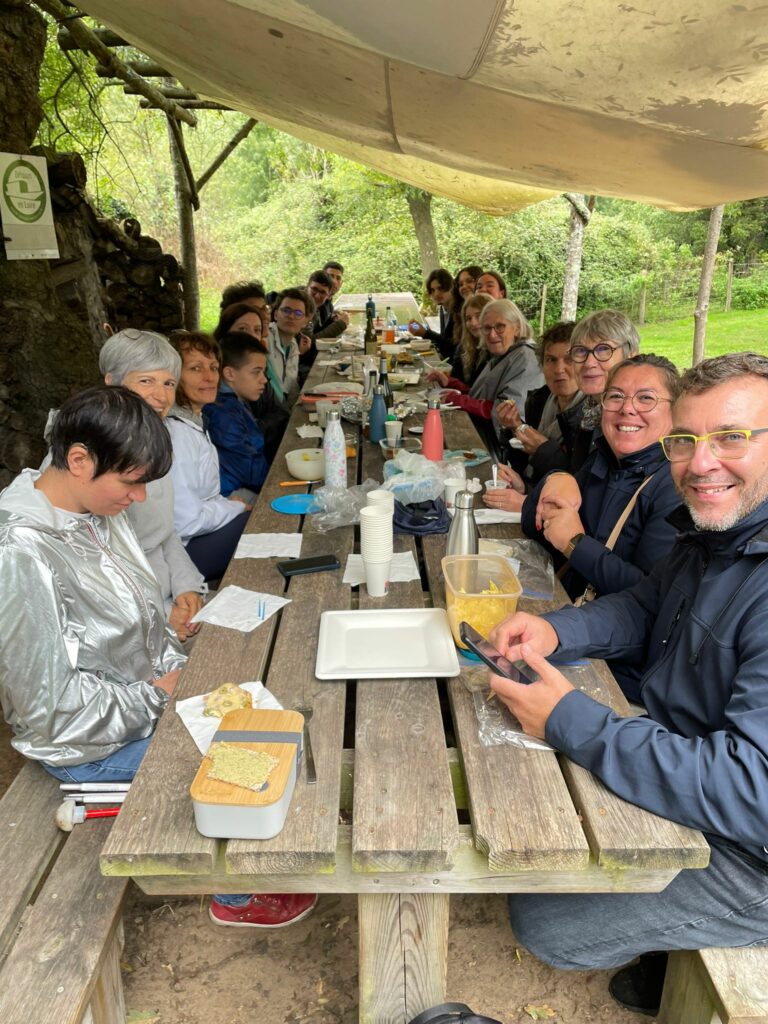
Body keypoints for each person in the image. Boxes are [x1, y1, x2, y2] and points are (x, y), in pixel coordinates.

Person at [488, 351, 768, 1016]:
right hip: (684, 746)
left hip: (753, 852)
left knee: (545, 920)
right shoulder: (716, 534)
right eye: (686, 441)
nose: (701, 464)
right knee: (534, 839)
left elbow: (754, 789)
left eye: (731, 438)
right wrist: (555, 631)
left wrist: (568, 720)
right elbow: (644, 604)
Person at [0, 385, 185, 780]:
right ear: (79, 459)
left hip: (145, 705)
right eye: (130, 481)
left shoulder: (96, 510)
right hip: (87, 748)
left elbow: (147, 622)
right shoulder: (20, 551)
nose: (139, 496)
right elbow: (47, 705)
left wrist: (177, 675)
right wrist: (157, 696)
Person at [521, 354, 682, 699]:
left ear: (676, 413)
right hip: (570, 625)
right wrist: (557, 477)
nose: (627, 409)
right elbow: (533, 525)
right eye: (616, 396)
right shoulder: (603, 459)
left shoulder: (673, 488)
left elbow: (648, 598)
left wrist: (575, 544)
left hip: (617, 669)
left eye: (646, 398)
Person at [99, 330, 206, 642]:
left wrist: (187, 588)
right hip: (128, 620)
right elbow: (98, 566)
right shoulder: (94, 457)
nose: (162, 396)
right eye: (146, 381)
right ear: (111, 383)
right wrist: (161, 612)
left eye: (169, 383)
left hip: (171, 597)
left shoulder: (155, 443)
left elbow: (165, 531)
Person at [166, 332, 250, 582]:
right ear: (172, 376)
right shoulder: (175, 433)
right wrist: (233, 508)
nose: (209, 376)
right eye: (195, 368)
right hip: (182, 553)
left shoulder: (193, 419)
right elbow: (185, 522)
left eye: (213, 367)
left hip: (194, 536)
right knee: (262, 523)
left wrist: (226, 505)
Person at [439, 299, 543, 457]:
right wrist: (455, 385)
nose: (492, 334)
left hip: (504, 453)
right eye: (487, 328)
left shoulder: (526, 358)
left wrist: (460, 400)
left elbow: (504, 413)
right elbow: (484, 393)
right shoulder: (502, 354)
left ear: (517, 328)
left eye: (500, 326)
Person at [561, 309, 640, 472]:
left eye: (604, 349)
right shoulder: (588, 414)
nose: (589, 363)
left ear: (631, 357)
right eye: (581, 350)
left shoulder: (635, 420)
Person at [203, 332, 269, 500]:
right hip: (230, 494)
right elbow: (250, 471)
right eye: (256, 372)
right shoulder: (223, 414)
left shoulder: (231, 402)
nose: (264, 380)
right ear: (230, 374)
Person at [426, 292, 491, 388]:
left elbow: (481, 396)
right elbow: (463, 385)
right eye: (468, 318)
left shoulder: (495, 352)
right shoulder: (466, 346)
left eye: (479, 316)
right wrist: (446, 380)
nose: (473, 323)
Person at [265, 287, 314, 404]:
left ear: (305, 322)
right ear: (276, 314)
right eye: (286, 310)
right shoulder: (266, 338)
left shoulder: (293, 346)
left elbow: (291, 390)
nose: (291, 316)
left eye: (298, 313)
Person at [409, 268, 456, 359]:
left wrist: (425, 333)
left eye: (440, 288)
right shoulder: (443, 308)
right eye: (432, 290)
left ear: (451, 287)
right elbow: (444, 341)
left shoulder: (459, 311)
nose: (436, 294)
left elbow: (454, 347)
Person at [314, 263, 350, 340]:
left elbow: (319, 330)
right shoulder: (309, 301)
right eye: (330, 276)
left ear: (341, 283)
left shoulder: (329, 305)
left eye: (338, 278)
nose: (334, 281)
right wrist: (341, 324)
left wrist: (332, 321)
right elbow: (310, 343)